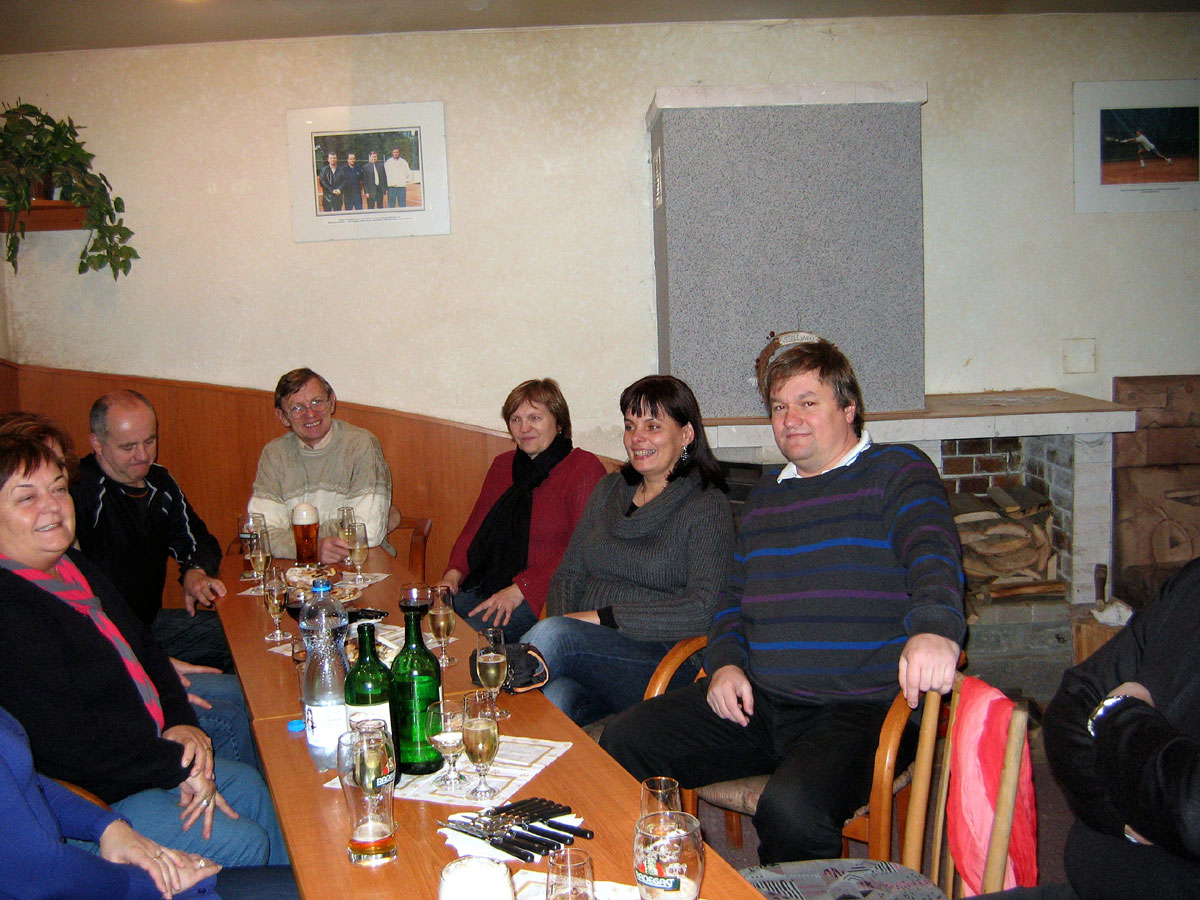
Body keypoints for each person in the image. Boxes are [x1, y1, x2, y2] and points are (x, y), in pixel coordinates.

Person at [600, 336, 965, 864]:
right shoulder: (767, 496)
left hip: (859, 710)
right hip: (761, 703)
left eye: (807, 402)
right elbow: (731, 597)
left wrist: (934, 627)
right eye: (778, 407)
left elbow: (931, 550)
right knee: (625, 739)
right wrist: (725, 665)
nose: (790, 419)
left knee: (793, 810)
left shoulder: (897, 471)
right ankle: (655, 876)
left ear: (848, 407)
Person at [0, 434, 287, 868]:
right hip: (86, 803)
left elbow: (146, 651)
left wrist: (180, 724)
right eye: (27, 497)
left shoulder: (73, 567)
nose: (53, 506)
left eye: (58, 489)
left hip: (139, 754)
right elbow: (69, 750)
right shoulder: (11, 612)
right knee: (243, 841)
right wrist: (179, 766)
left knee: (250, 788)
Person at [520, 375, 735, 726]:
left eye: (653, 426)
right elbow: (568, 575)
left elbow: (705, 608)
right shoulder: (609, 489)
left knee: (553, 636)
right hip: (591, 653)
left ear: (686, 434)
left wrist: (600, 618)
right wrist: (567, 627)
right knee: (554, 700)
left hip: (662, 660)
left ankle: (491, 686)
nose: (637, 438)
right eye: (630, 426)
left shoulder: (705, 505)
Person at [67, 392, 256, 769]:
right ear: (97, 443)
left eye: (149, 441)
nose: (142, 455)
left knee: (241, 636)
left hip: (148, 626)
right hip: (112, 642)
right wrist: (142, 661)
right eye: (128, 446)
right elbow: (78, 609)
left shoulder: (159, 482)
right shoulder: (79, 494)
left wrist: (194, 571)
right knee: (234, 694)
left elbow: (200, 541)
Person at [1041, 555, 1200, 899]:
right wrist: (1124, 820)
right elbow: (1073, 701)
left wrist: (1120, 710)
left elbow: (1191, 813)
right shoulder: (1193, 585)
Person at [436, 379, 606, 644]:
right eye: (516, 420)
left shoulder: (583, 468)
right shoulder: (502, 466)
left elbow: (583, 549)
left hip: (544, 597)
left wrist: (522, 589)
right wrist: (452, 577)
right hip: (488, 584)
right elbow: (474, 530)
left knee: (462, 639)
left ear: (559, 423)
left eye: (534, 418)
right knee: (426, 624)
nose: (524, 428)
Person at [248, 367, 393, 564]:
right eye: (297, 408)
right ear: (282, 416)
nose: (310, 413)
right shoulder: (274, 454)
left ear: (332, 402)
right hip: (294, 569)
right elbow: (260, 533)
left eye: (317, 402)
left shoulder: (360, 445)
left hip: (360, 566)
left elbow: (367, 532)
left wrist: (297, 536)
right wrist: (312, 547)